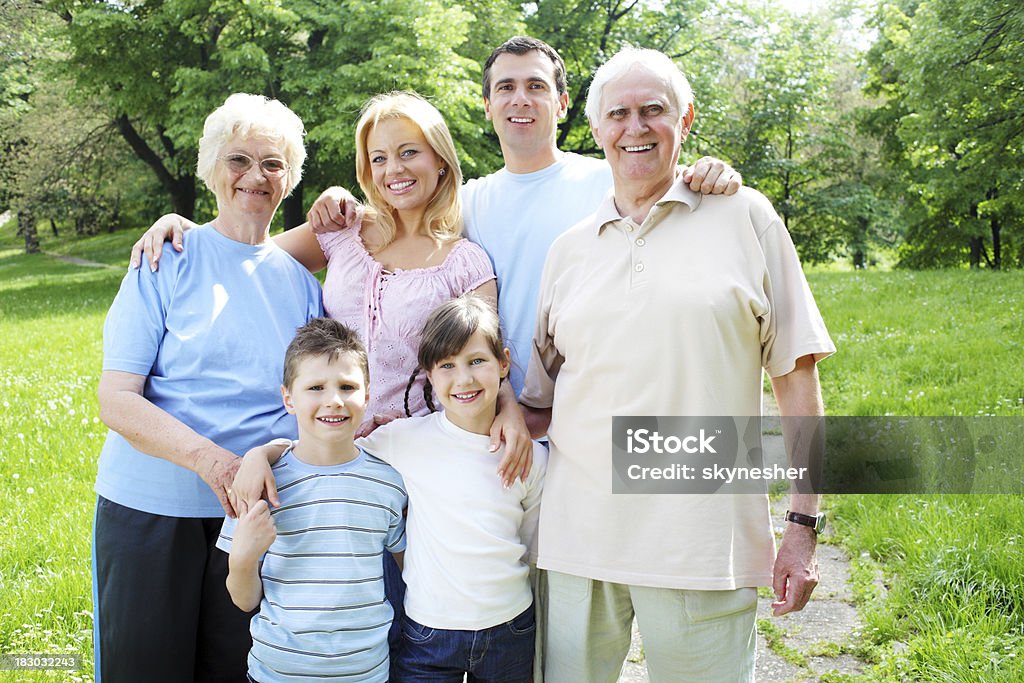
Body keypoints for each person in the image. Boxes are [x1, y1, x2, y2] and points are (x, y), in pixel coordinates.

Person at [518, 47, 836, 681]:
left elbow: (797, 381)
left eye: (653, 111)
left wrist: (803, 522)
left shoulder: (748, 218)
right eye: (619, 114)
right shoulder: (568, 251)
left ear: (685, 120)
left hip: (703, 543)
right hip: (578, 543)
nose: (635, 128)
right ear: (597, 129)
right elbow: (538, 402)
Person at [304, 36, 743, 397]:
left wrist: (708, 170)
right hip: (497, 413)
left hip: (593, 401)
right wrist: (338, 201)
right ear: (487, 105)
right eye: (506, 88)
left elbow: (667, 180)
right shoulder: (466, 202)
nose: (521, 99)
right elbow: (396, 222)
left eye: (536, 86)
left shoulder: (610, 182)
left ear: (563, 102)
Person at [128, 92, 531, 483]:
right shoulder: (343, 230)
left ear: (441, 160)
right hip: (327, 452)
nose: (394, 169)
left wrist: (509, 411)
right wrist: (184, 229)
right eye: (379, 158)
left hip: (419, 457)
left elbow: (486, 358)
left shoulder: (465, 263)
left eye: (409, 152)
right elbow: (244, 254)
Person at [93, 93, 323, 682]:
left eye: (273, 164)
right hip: (151, 510)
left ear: (290, 178)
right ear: (212, 169)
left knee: (237, 669)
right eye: (238, 159)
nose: (255, 176)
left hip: (254, 516)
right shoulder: (165, 257)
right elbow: (117, 399)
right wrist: (214, 462)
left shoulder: (302, 285)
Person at [235, 294, 547, 682]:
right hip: (426, 630)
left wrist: (511, 410)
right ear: (429, 375)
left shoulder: (530, 457)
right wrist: (259, 454)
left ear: (503, 363)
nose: (463, 378)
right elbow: (326, 449)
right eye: (447, 365)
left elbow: (532, 543)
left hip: (509, 623)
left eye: (477, 361)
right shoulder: (402, 439)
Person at [217, 318, 407, 682]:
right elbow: (243, 599)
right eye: (316, 387)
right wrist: (243, 557)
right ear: (288, 397)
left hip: (365, 673)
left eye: (347, 386)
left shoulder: (388, 483)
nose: (333, 400)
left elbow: (406, 568)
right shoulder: (260, 483)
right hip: (278, 672)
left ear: (367, 395)